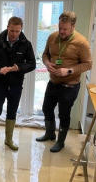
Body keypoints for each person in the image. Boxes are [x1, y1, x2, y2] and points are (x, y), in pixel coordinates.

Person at [36, 11, 92, 152]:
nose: (61, 31)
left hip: (69, 86)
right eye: (60, 27)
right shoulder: (52, 37)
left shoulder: (81, 42)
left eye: (65, 29)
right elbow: (45, 55)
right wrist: (47, 63)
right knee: (46, 109)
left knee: (63, 114)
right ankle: (50, 134)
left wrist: (68, 71)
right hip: (53, 82)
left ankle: (60, 142)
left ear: (73, 26)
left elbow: (88, 64)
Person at [0, 16, 36, 152]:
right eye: (12, 30)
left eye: (17, 31)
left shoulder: (26, 44)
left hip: (16, 85)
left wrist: (19, 68)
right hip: (0, 84)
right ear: (7, 27)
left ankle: (8, 140)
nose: (14, 34)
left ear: (21, 30)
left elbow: (32, 64)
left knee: (12, 113)